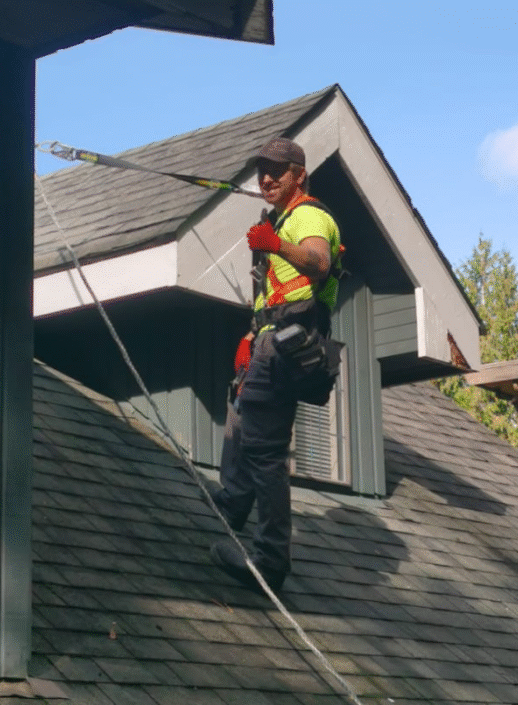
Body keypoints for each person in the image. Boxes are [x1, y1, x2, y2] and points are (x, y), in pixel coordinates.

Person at [210, 136, 342, 593]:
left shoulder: (308, 216)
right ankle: (232, 509)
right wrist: (250, 336)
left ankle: (269, 561)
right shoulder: (280, 218)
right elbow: (275, 296)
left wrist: (275, 244)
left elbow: (320, 264)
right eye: (261, 170)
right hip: (271, 338)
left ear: (298, 175)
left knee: (264, 451)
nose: (266, 178)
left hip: (290, 342)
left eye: (277, 171)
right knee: (239, 420)